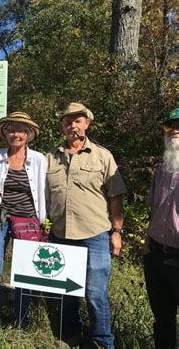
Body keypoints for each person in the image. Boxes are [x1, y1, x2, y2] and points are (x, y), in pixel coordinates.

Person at [46, 102, 126, 348]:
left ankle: (101, 340)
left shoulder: (103, 156)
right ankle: (71, 334)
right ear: (62, 126)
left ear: (87, 124)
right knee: (66, 291)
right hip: (60, 234)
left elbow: (116, 195)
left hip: (96, 235)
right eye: (68, 122)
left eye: (77, 121)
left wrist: (117, 232)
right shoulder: (50, 157)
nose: (73, 126)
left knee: (94, 293)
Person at [0, 111, 46, 325]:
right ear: (5, 133)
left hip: (29, 221)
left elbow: (45, 193)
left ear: (28, 134)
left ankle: (21, 318)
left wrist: (47, 222)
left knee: (25, 271)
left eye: (22, 130)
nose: (17, 134)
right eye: (12, 129)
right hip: (0, 219)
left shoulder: (39, 160)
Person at [143, 108, 179, 349]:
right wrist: (147, 243)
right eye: (170, 126)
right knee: (163, 320)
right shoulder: (162, 170)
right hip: (156, 253)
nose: (174, 130)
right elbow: (154, 208)